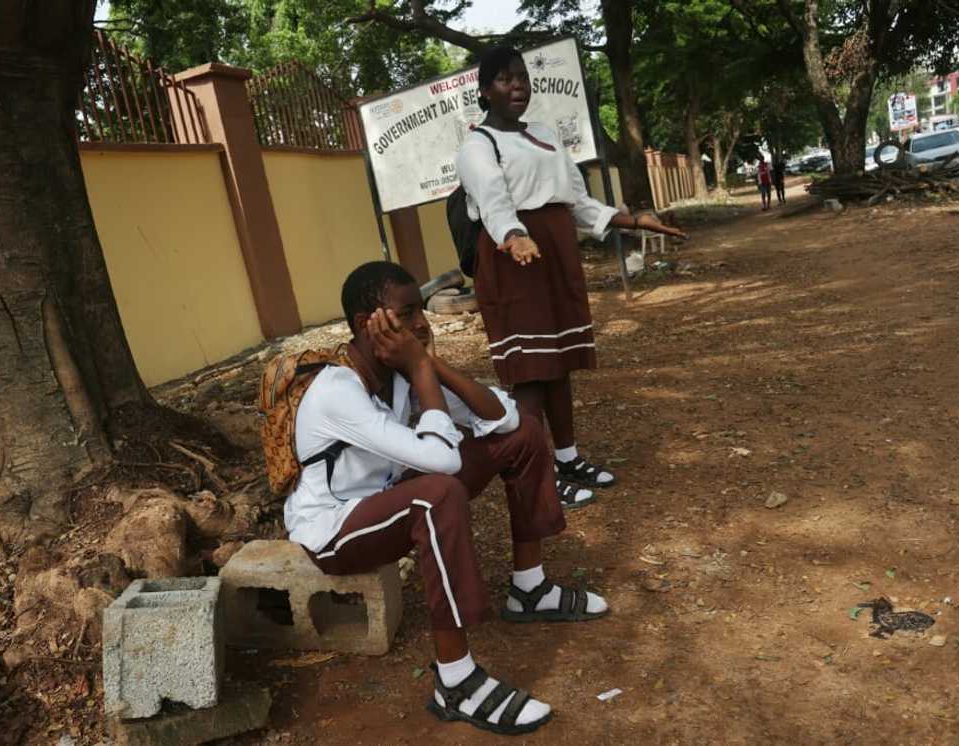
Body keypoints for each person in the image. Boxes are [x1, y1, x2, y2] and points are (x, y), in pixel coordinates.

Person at [284, 261, 608, 735]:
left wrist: (428, 366)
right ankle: (455, 680)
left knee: (525, 436)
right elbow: (444, 464)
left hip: (387, 499)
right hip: (334, 530)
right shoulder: (337, 390)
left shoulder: (398, 375)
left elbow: (507, 417)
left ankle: (530, 589)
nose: (421, 323)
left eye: (422, 311)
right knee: (437, 493)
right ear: (365, 324)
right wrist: (418, 365)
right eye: (407, 312)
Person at [455, 46, 685, 507]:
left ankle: (567, 456)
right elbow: (494, 201)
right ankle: (535, 475)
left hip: (554, 252)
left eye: (521, 77)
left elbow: (576, 200)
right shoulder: (478, 145)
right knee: (529, 372)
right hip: (513, 257)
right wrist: (516, 235)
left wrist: (633, 221)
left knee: (558, 365)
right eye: (504, 79)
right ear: (484, 91)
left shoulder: (543, 134)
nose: (517, 85)